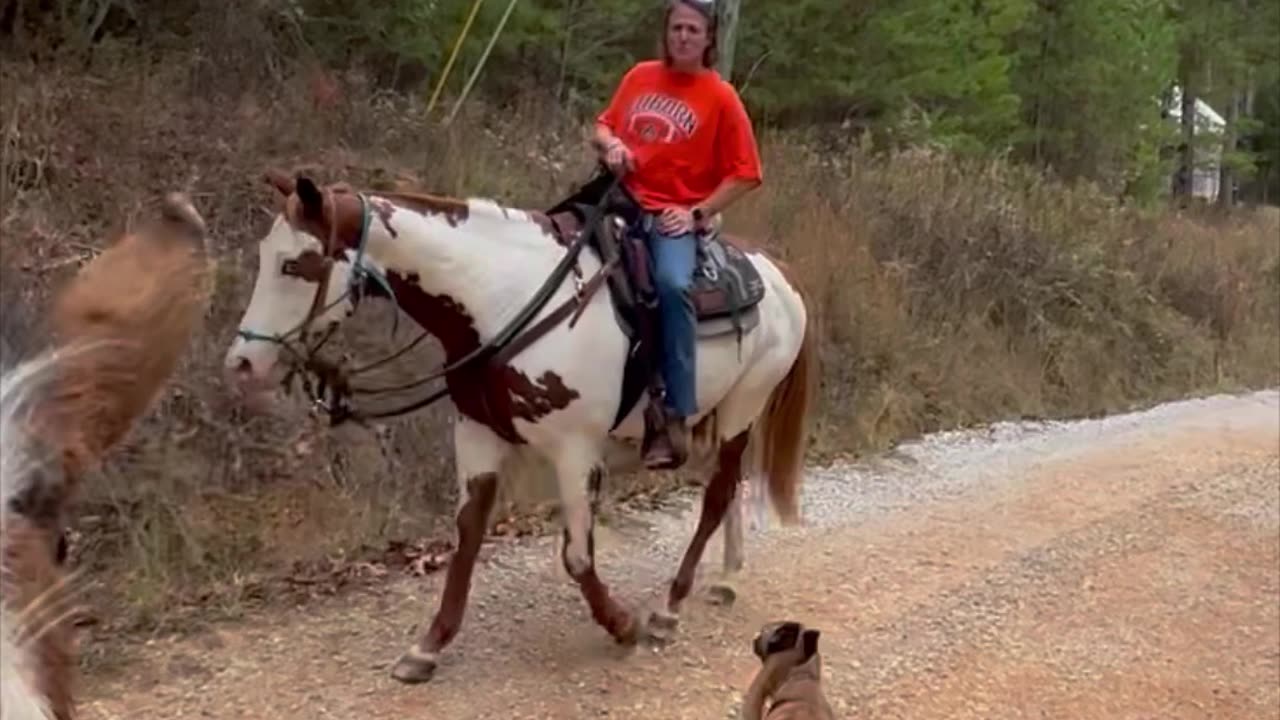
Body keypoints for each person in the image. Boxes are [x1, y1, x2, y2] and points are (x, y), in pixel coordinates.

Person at [593, 0, 764, 470]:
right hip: (619, 197)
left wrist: (697, 212)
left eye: (692, 29)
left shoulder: (721, 96)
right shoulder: (640, 76)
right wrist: (613, 146)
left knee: (672, 286)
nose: (682, 37)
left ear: (709, 39)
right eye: (676, 28)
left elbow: (747, 172)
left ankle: (675, 412)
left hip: (671, 216)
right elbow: (604, 124)